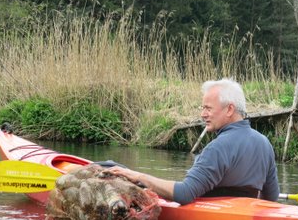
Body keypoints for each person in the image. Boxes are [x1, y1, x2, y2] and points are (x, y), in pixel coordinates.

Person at [107, 78, 280, 204]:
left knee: (114, 168)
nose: (203, 114)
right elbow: (271, 198)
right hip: (243, 219)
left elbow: (184, 194)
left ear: (229, 109)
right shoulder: (265, 143)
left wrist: (139, 176)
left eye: (208, 108)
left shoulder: (217, 148)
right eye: (202, 108)